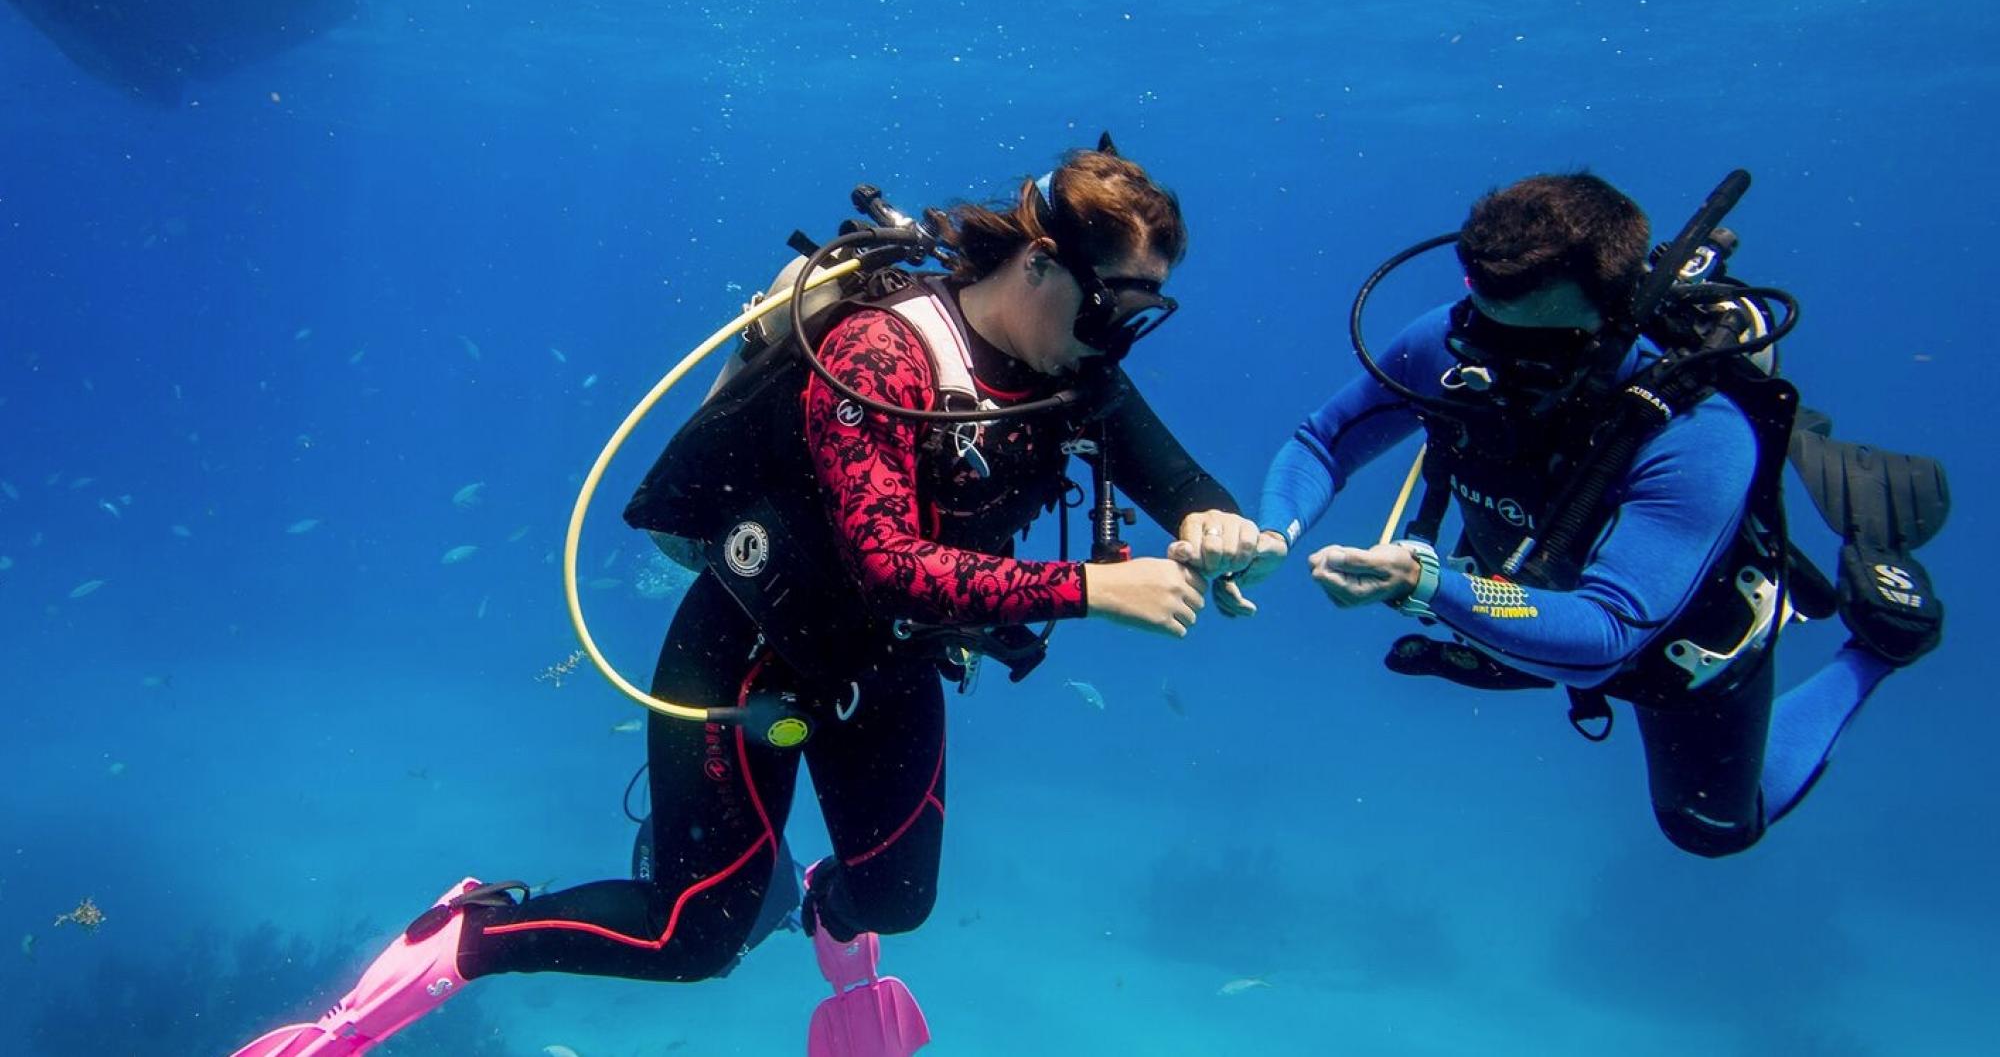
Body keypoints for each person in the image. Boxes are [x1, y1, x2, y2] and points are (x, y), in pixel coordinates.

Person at [229, 144, 1261, 1057]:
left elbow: (1171, 475)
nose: (1125, 334)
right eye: (1119, 303)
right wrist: (1088, 587)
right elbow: (884, 562)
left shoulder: (1073, 369)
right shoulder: (878, 352)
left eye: (1147, 310)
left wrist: (1216, 523)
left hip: (889, 666)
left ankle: (805, 899)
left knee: (896, 902)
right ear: (1039, 264)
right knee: (687, 940)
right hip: (748, 654)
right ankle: (465, 935)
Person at [1238, 171, 1945, 858]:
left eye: (1531, 349)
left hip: (1673, 637)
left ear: (1613, 320)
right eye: (1478, 320)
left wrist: (1427, 586)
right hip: (1523, 584)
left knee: (1712, 827)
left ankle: (1876, 649)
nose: (1491, 363)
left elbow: (1609, 632)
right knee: (1519, 630)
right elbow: (1322, 440)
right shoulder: (1455, 342)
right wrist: (1277, 529)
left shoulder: (1699, 432)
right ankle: (1504, 633)